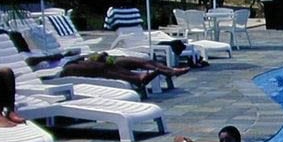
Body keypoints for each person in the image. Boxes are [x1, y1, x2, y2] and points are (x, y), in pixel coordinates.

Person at [60, 52, 196, 90]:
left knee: (125, 60)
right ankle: (136, 78)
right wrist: (55, 56)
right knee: (101, 67)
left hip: (81, 58)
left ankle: (169, 70)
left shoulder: (45, 35)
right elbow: (38, 63)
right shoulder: (40, 52)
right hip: (65, 68)